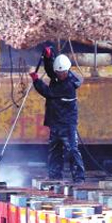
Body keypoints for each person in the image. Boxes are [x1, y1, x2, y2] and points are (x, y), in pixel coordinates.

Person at [30, 47, 85, 183]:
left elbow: (48, 92)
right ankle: (55, 177)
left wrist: (36, 81)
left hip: (67, 124)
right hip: (55, 122)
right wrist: (49, 57)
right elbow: (50, 71)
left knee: (72, 150)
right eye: (58, 72)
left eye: (62, 73)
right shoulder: (59, 76)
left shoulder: (68, 85)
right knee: (54, 151)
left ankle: (79, 178)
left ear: (67, 71)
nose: (59, 75)